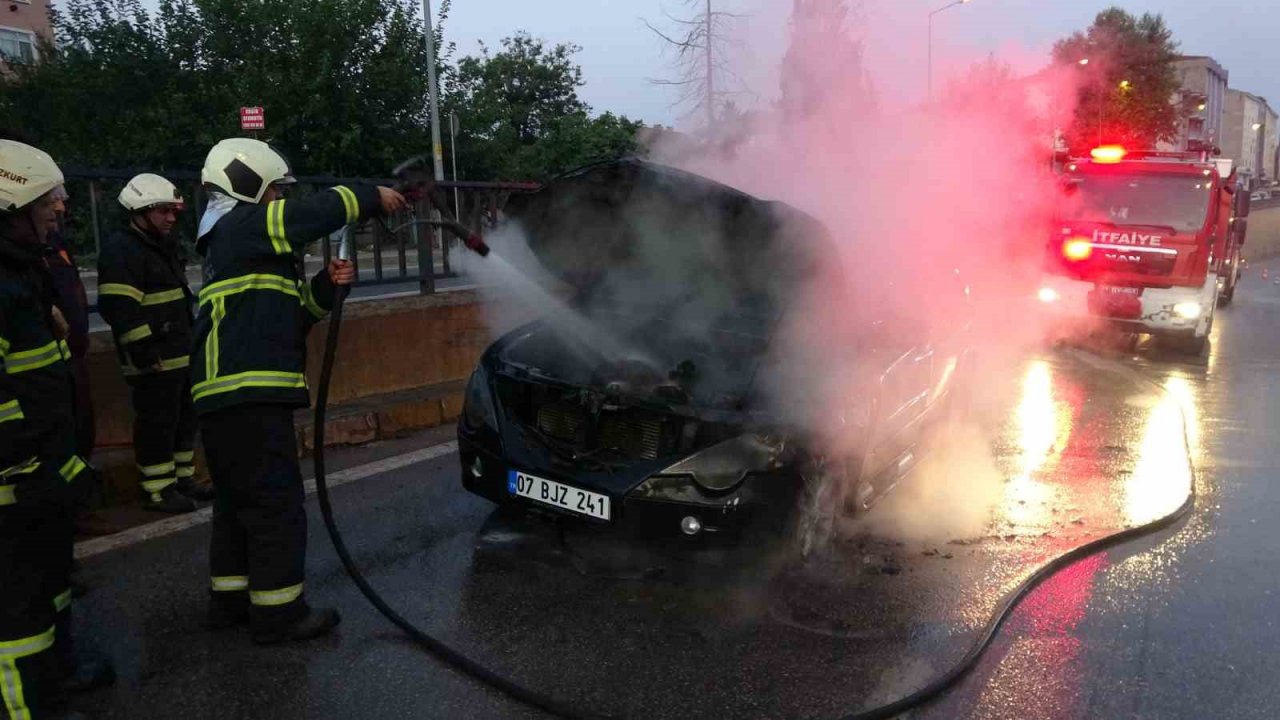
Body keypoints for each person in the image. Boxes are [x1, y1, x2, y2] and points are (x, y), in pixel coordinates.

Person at [193, 138, 405, 644]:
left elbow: (293, 318)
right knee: (274, 505)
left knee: (236, 503)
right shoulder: (240, 225)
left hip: (227, 399)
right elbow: (314, 213)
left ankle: (230, 601)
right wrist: (369, 195)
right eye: (276, 192)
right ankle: (278, 614)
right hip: (249, 395)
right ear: (248, 186)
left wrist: (327, 289)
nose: (282, 202)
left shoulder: (241, 248)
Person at [0, 139, 112, 720]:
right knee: (16, 613)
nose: (60, 208)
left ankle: (58, 672)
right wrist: (27, 468)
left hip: (39, 473)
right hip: (12, 483)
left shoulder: (23, 270)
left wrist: (64, 467)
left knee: (49, 584)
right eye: (48, 199)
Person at [97, 173, 211, 514]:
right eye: (163, 211)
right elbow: (120, 307)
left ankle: (183, 480)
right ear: (140, 210)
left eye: (173, 211)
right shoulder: (122, 250)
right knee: (157, 423)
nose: (171, 218)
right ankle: (159, 490)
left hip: (178, 353)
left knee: (184, 420)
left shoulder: (160, 245)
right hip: (152, 359)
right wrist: (145, 352)